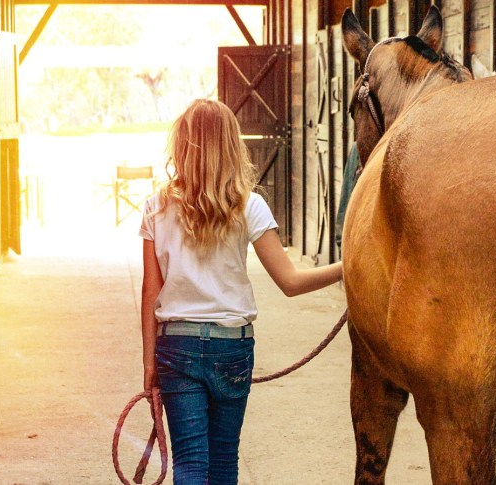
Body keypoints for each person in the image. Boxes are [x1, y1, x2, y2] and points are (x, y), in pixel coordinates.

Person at [139, 99, 344, 485]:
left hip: (176, 348)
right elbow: (291, 282)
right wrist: (350, 268)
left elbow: (152, 291)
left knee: (189, 462)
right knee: (222, 463)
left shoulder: (155, 208)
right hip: (231, 347)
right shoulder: (250, 206)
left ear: (181, 145)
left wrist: (149, 361)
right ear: (231, 145)